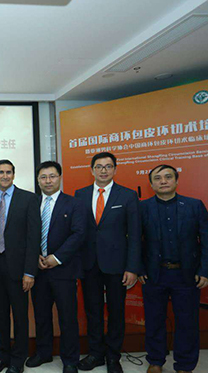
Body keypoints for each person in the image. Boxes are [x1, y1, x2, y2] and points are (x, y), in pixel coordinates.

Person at [74, 152, 140, 373]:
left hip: (117, 264)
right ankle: (96, 354)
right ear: (91, 170)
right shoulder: (80, 194)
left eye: (108, 166)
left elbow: (135, 234)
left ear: (115, 169)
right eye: (99, 166)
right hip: (89, 264)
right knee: (92, 311)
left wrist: (132, 267)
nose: (103, 170)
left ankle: (113, 356)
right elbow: (78, 231)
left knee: (116, 311)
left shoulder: (128, 196)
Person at [138, 164, 208, 373]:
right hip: (153, 273)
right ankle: (155, 361)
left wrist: (204, 270)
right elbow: (135, 241)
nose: (163, 181)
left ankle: (185, 365)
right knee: (154, 320)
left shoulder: (194, 206)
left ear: (176, 181)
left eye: (168, 177)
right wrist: (139, 268)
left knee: (187, 321)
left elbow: (206, 240)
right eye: (157, 178)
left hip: (187, 274)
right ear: (151, 184)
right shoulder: (142, 208)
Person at [27, 161, 85, 373]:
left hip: (63, 270)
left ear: (60, 177)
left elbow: (79, 234)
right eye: (43, 177)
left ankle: (70, 359)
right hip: (38, 270)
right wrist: (34, 257)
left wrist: (57, 258)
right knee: (41, 315)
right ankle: (43, 353)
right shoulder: (31, 203)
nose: (48, 181)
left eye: (52, 176)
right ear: (38, 180)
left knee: (67, 317)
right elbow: (25, 234)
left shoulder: (74, 203)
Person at [0, 159, 40, 373]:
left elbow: (33, 238)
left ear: (14, 175)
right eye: (1, 172)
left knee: (19, 316)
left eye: (8, 172)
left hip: (19, 269)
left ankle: (18, 359)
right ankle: (3, 356)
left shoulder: (28, 199)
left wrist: (29, 272)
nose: (5, 176)